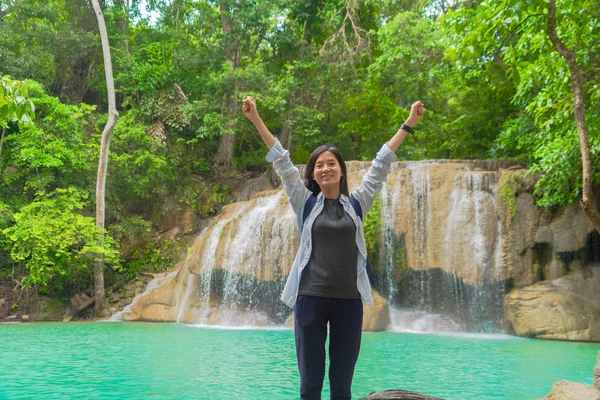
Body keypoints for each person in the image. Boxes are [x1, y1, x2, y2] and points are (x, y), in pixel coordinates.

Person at [242, 96, 425, 400]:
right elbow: (282, 161)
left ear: (341, 170)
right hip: (310, 300)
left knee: (342, 387)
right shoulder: (305, 202)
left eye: (331, 164)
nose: (325, 169)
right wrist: (256, 119)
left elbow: (381, 164)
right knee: (310, 385)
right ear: (313, 174)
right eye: (319, 165)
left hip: (349, 303)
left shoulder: (358, 202)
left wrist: (409, 123)